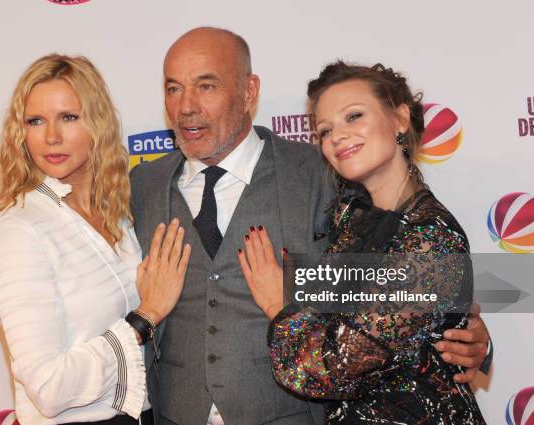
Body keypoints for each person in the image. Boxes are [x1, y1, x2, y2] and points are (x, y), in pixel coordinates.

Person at [129, 28, 491, 425]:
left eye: (206, 86)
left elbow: (427, 272)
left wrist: (471, 336)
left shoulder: (328, 173)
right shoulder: (139, 187)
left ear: (249, 92)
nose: (186, 107)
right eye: (173, 89)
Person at [240, 61, 487, 423]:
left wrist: (281, 306)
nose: (337, 136)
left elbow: (331, 370)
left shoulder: (429, 238)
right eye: (324, 130)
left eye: (354, 116)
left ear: (399, 118)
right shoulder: (349, 214)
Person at [0, 54, 190, 425]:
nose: (51, 136)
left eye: (68, 117)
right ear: (21, 133)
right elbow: (50, 388)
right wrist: (146, 317)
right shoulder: (19, 230)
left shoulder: (119, 214)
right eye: (36, 121)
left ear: (98, 123)